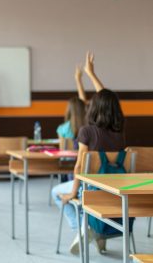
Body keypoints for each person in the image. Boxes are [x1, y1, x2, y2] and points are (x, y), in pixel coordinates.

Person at [52, 52, 124, 255]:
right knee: (84, 196)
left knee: (56, 192)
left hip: (90, 190)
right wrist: (91, 74)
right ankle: (96, 233)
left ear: (93, 108)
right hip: (115, 189)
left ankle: (83, 230)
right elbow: (108, 100)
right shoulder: (119, 133)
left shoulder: (86, 131)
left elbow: (79, 166)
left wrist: (73, 192)